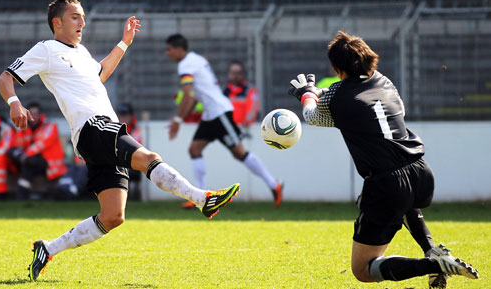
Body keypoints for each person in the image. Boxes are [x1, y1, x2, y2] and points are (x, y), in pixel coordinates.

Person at [0, 0, 239, 281]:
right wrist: (14, 102)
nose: (82, 22)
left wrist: (124, 42)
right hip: (93, 127)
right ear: (57, 22)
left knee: (113, 216)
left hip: (97, 134)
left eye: (82, 16)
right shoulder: (47, 49)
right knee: (147, 158)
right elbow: (5, 77)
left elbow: (101, 73)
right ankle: (202, 199)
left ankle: (47, 249)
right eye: (75, 17)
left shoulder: (81, 52)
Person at [287, 31, 478, 287]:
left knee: (363, 269)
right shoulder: (385, 82)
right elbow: (358, 100)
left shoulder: (337, 96)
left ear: (337, 68)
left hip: (387, 183)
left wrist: (306, 94)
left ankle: (432, 264)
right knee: (405, 201)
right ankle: (433, 251)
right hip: (419, 170)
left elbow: (312, 116)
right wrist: (320, 91)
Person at [165, 34, 282, 209]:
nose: (167, 54)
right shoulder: (195, 59)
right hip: (210, 114)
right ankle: (200, 196)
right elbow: (195, 97)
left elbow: (188, 95)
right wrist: (179, 120)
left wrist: (177, 120)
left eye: (169, 49)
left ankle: (274, 184)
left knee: (239, 152)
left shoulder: (185, 64)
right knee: (194, 149)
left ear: (178, 49)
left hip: (219, 113)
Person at [10, 102, 67, 199]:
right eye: (31, 113)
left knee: (28, 162)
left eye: (36, 113)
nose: (34, 116)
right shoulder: (25, 127)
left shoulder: (50, 126)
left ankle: (22, 194)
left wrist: (25, 155)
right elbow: (18, 145)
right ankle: (22, 194)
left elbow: (41, 144)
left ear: (40, 115)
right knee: (14, 154)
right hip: (33, 161)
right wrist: (20, 155)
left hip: (49, 162)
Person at [223, 60, 260, 127]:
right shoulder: (223, 91)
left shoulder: (250, 90)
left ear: (242, 74)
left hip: (244, 129)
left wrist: (247, 121)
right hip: (227, 129)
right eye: (233, 73)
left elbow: (253, 110)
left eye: (238, 73)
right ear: (229, 74)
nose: (236, 76)